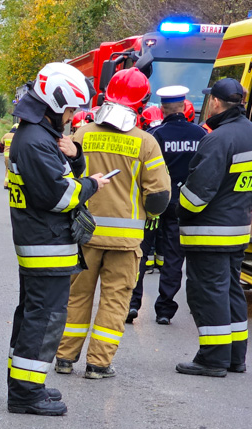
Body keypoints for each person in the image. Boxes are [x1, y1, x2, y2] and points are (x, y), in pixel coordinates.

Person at [6, 62, 110, 415]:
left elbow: (60, 174)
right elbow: (59, 197)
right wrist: (93, 184)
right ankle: (25, 394)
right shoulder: (35, 141)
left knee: (34, 316)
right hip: (45, 245)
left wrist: (76, 157)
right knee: (44, 319)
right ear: (53, 104)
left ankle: (27, 385)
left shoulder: (40, 135)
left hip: (45, 242)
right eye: (68, 110)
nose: (70, 116)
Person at [54, 68, 170, 379]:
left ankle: (64, 359)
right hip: (126, 243)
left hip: (84, 235)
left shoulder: (82, 134)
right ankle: (98, 365)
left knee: (76, 298)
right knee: (115, 301)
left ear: (107, 94)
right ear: (142, 101)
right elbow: (159, 197)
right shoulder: (146, 143)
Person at [176, 78, 252, 377]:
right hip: (238, 229)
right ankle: (236, 357)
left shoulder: (218, 138)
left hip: (209, 232)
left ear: (215, 102)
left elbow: (197, 194)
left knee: (208, 293)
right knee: (230, 291)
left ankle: (212, 359)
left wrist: (178, 209)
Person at [127, 86, 207, 325]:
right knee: (173, 257)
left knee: (140, 253)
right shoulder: (200, 135)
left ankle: (132, 304)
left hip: (155, 203)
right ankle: (165, 310)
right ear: (184, 107)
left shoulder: (155, 135)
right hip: (183, 205)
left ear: (162, 109)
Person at [2, 123, 18, 188]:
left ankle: (7, 183)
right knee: (11, 170)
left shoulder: (6, 135)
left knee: (7, 169)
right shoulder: (16, 136)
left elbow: (1, 142)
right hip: (12, 155)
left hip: (6, 155)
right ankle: (6, 184)